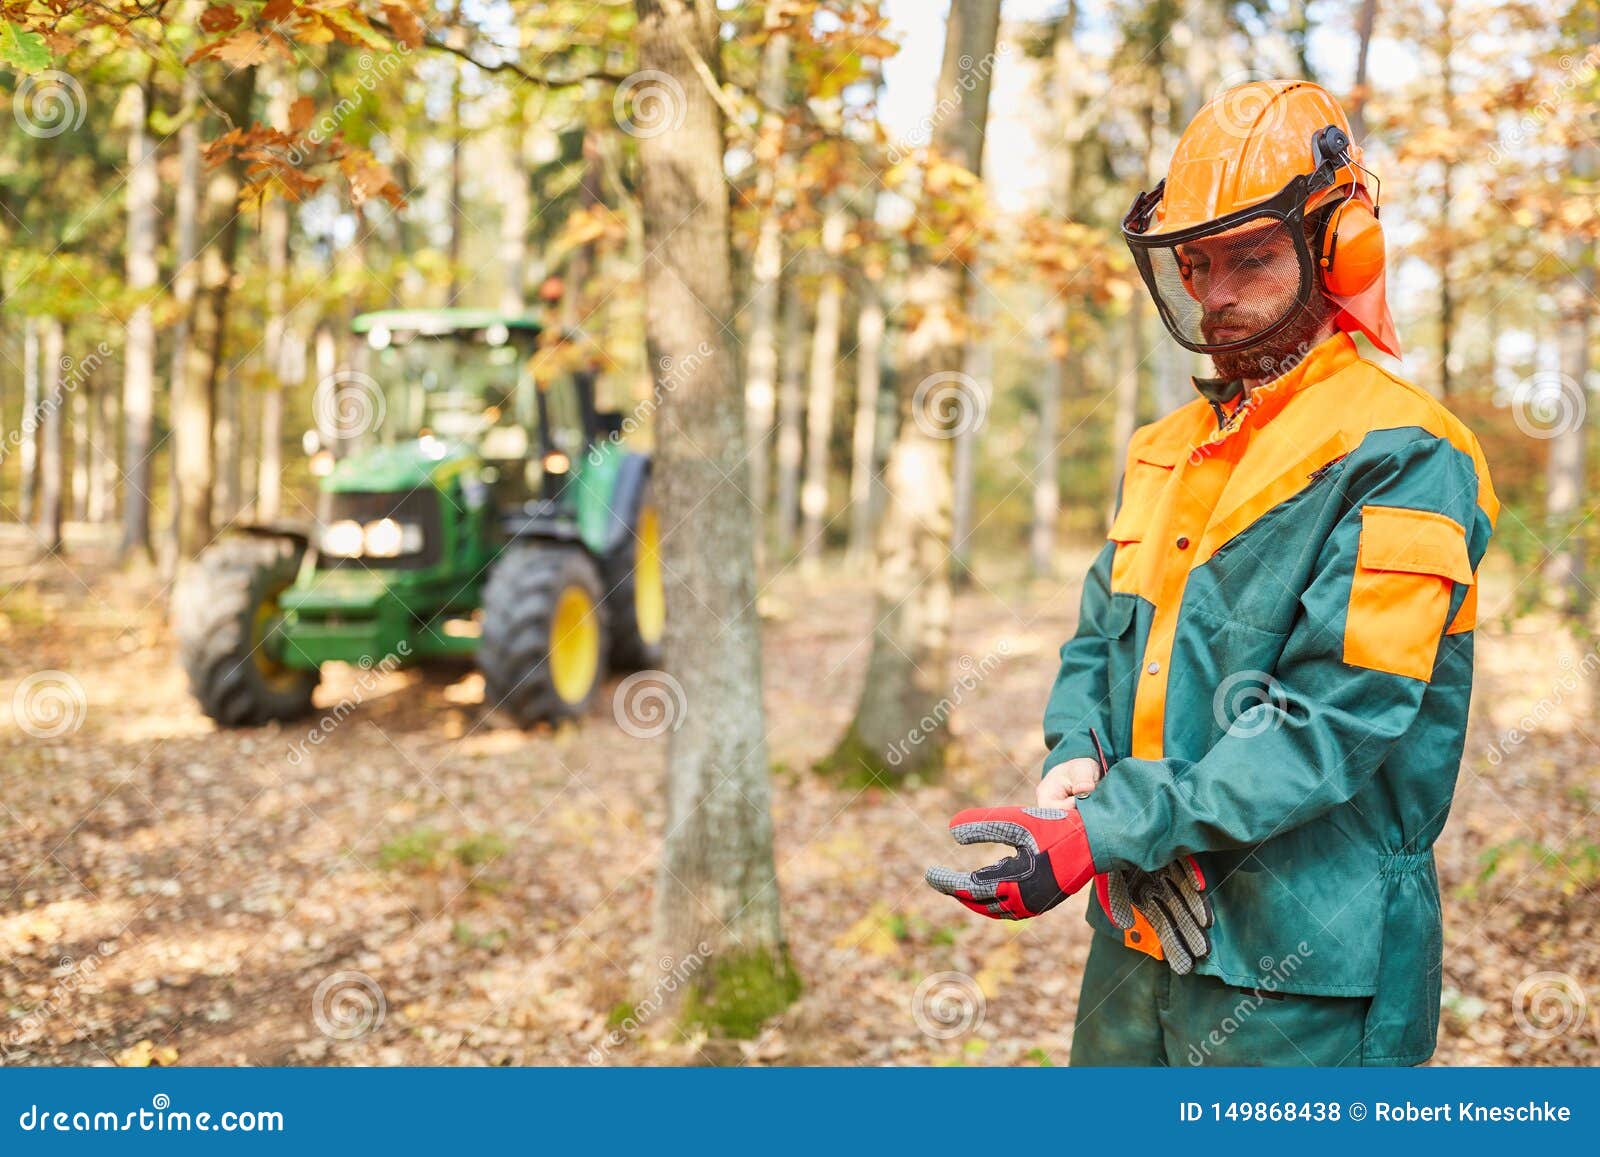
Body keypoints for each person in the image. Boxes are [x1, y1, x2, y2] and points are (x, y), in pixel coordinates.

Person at [925, 79, 1498, 1067]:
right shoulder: (1165, 447)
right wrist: (1081, 762)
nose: (1217, 293)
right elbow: (1099, 641)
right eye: (1194, 264)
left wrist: (1105, 831)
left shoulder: (1404, 453)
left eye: (1251, 258)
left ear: (1338, 246)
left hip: (1305, 961)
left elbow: (1333, 718)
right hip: (1137, 919)